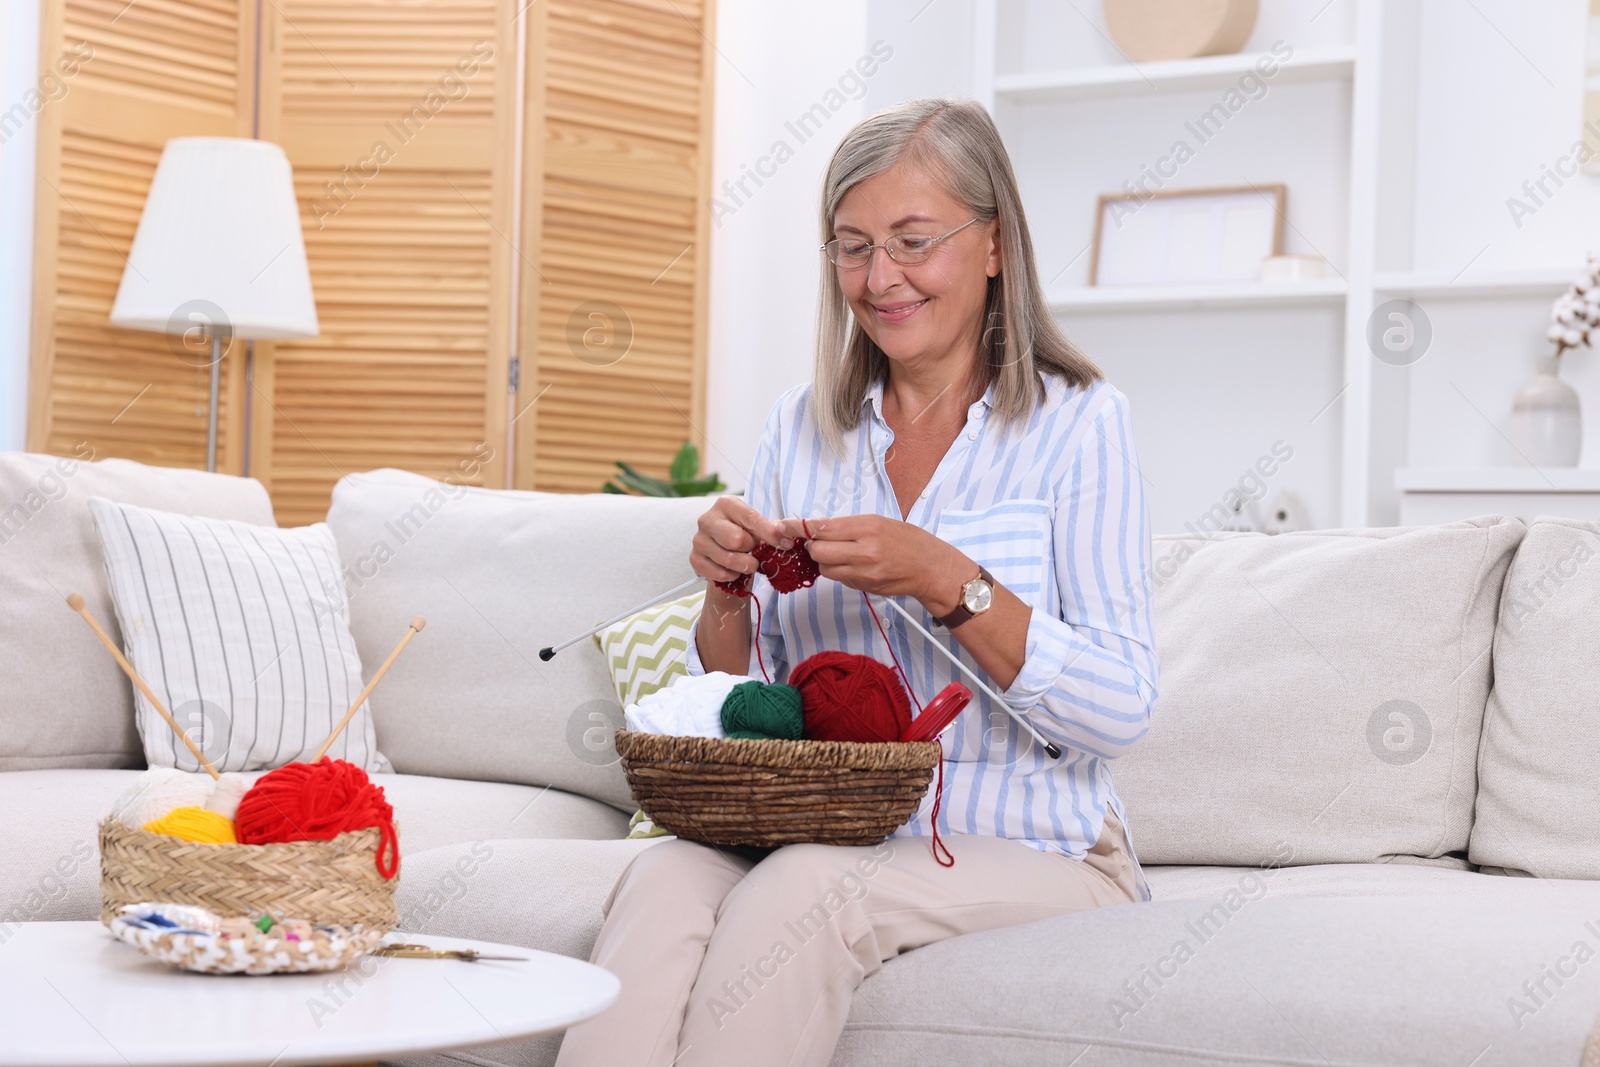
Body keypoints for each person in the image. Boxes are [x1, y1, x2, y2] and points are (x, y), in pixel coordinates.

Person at [554, 96, 1159, 1067]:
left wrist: (947, 577)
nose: (880, 279)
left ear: (994, 244)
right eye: (852, 246)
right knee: (664, 880)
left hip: (1039, 843)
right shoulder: (801, 426)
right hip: (818, 819)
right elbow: (754, 694)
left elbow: (1121, 708)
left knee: (801, 895)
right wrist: (725, 594)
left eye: (913, 241)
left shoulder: (1080, 423)